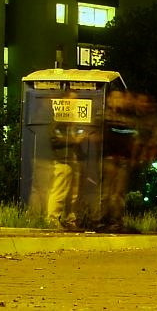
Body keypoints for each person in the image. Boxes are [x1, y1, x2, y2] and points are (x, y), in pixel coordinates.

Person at [46, 92, 90, 229]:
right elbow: (54, 138)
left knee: (73, 194)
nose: (75, 103)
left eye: (76, 100)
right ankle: (53, 219)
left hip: (73, 159)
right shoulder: (58, 118)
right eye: (72, 100)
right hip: (63, 159)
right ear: (64, 101)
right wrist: (75, 140)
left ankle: (70, 220)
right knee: (60, 191)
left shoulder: (72, 119)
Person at [97, 89, 138, 232]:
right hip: (109, 159)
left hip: (122, 160)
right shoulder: (104, 116)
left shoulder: (127, 117)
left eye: (120, 98)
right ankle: (103, 220)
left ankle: (116, 221)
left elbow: (131, 137)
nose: (118, 101)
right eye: (115, 98)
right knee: (107, 192)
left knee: (118, 193)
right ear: (109, 100)